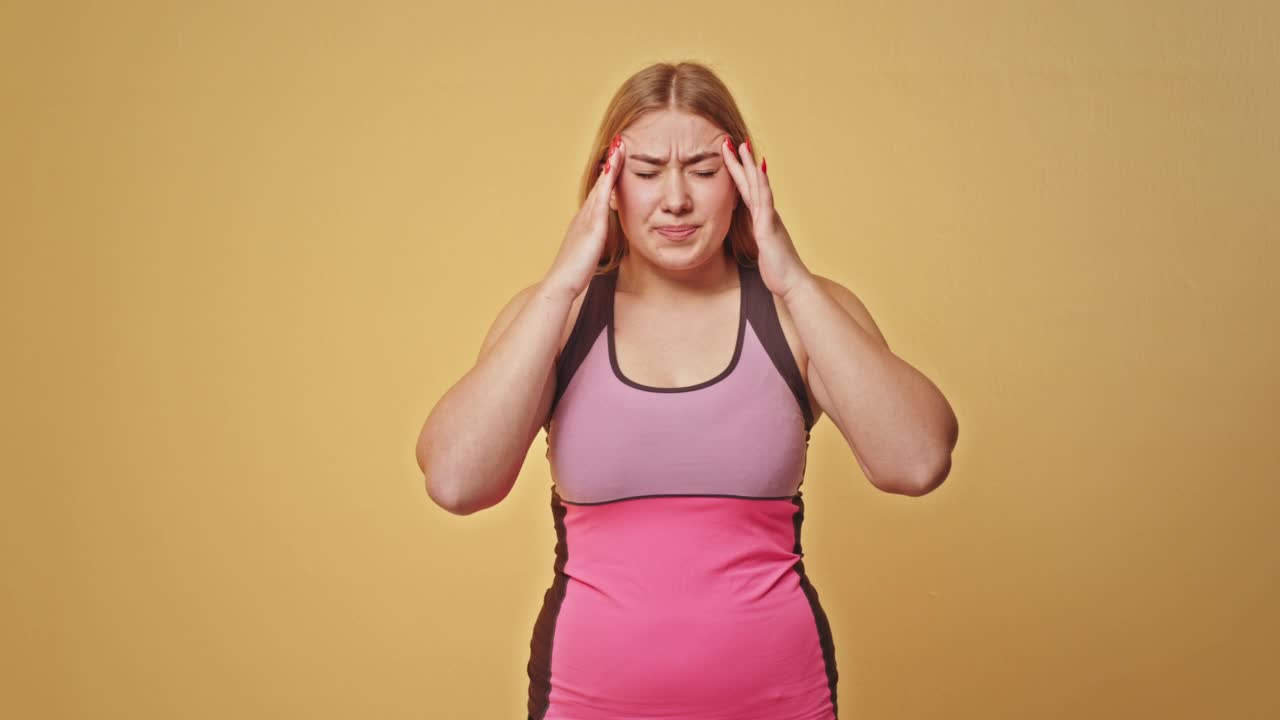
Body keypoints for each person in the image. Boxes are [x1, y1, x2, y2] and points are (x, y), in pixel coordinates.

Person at [415, 61, 958, 720]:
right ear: (608, 187)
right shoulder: (558, 317)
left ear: (745, 180)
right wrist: (562, 283)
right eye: (646, 173)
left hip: (783, 702)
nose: (676, 199)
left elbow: (918, 461)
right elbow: (455, 480)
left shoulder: (799, 313)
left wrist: (793, 281)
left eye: (703, 170)